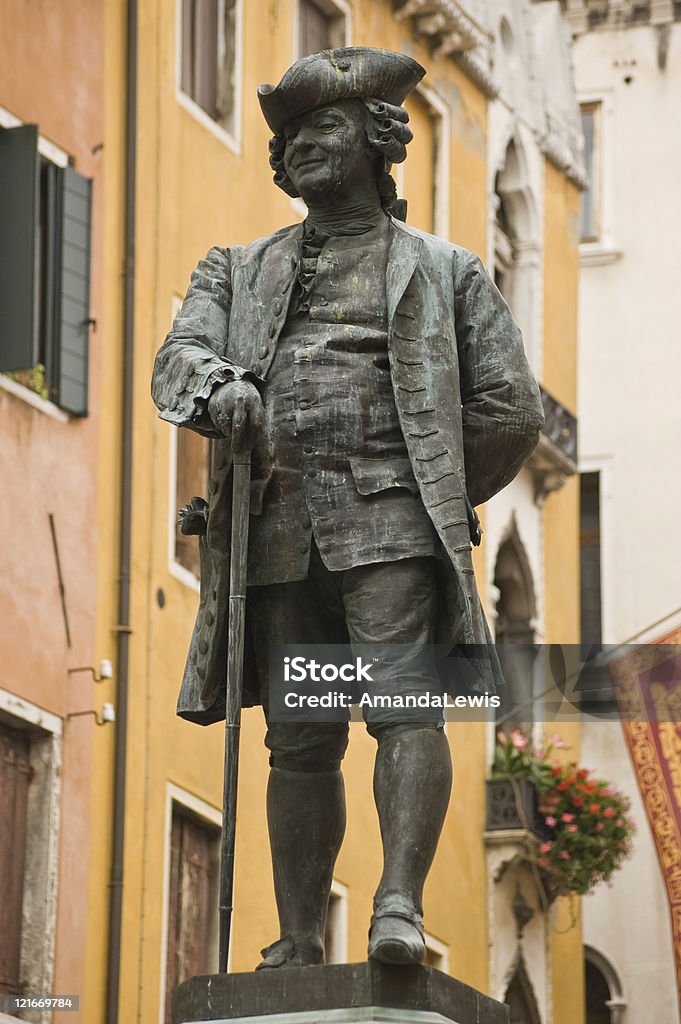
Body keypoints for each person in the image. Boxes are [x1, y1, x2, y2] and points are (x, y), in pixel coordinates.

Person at [151, 47, 543, 970]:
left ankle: (397, 908)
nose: (300, 149)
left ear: (375, 140)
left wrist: (434, 487)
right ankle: (297, 937)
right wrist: (216, 388)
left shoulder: (445, 271)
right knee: (299, 740)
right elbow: (177, 359)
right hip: (276, 527)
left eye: (321, 129)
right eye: (289, 140)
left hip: (391, 528)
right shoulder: (234, 268)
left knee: (405, 711)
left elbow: (511, 408)